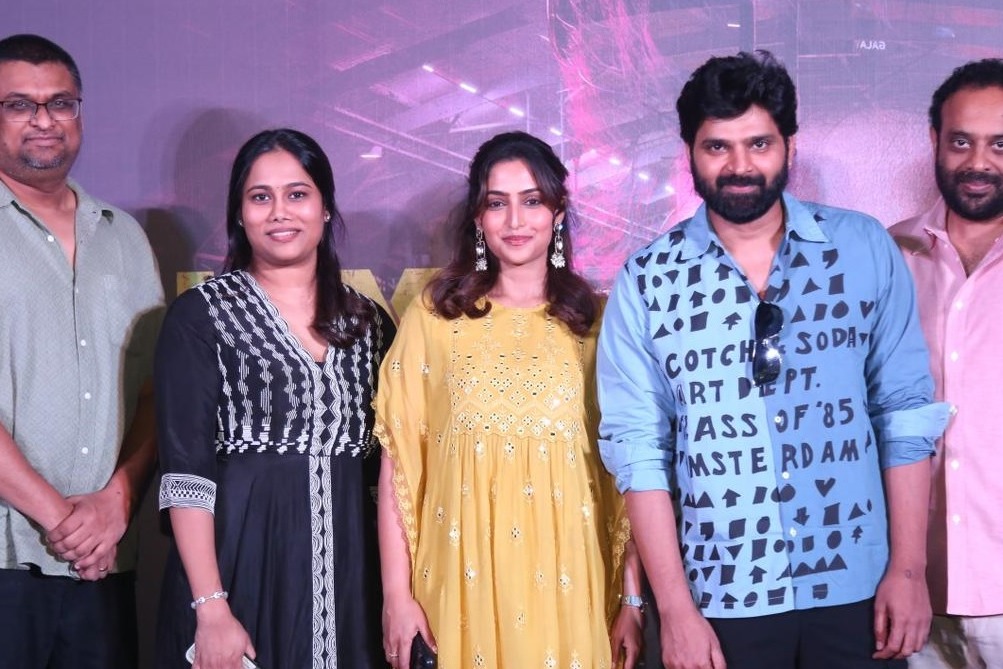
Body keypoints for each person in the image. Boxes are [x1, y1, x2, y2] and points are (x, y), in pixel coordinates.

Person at [597, 51, 949, 669]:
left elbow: (903, 413)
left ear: (790, 145)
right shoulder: (648, 278)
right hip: (723, 591)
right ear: (690, 152)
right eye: (717, 147)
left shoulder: (862, 247)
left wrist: (908, 571)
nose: (739, 166)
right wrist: (675, 610)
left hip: (857, 582)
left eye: (758, 143)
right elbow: (639, 450)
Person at [375, 130, 644, 669]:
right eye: (497, 203)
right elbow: (399, 467)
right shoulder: (435, 317)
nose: (515, 221)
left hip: (571, 588)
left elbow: (630, 474)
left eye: (532, 201)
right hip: (459, 587)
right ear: (478, 217)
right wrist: (396, 597)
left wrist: (632, 603)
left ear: (558, 211)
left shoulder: (597, 323)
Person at [155, 128, 394, 669]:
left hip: (353, 580)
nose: (280, 212)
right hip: (241, 570)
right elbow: (185, 474)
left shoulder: (370, 323)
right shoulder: (202, 316)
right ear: (239, 215)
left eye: (297, 194)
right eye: (260, 197)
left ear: (326, 208)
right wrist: (211, 607)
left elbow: (389, 476)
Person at [0, 34, 163, 668]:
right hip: (12, 558)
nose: (44, 120)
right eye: (19, 104)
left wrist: (117, 501)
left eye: (60, 102)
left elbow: (153, 395)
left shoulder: (126, 239)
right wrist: (63, 520)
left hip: (102, 565)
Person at [889, 59, 1003, 669]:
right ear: (935, 141)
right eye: (962, 141)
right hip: (908, 596)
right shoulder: (886, 256)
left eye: (1000, 145)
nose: (978, 162)